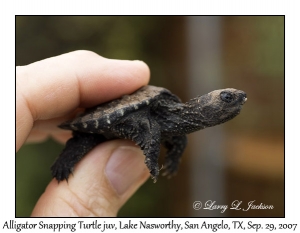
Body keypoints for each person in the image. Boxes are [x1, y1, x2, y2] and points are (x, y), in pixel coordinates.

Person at [16, 50, 151, 216]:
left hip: (110, 125)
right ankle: (63, 166)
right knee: (82, 143)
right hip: (99, 126)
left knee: (86, 140)